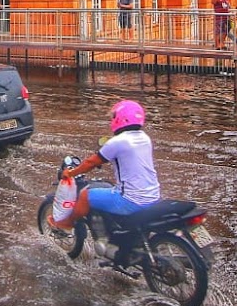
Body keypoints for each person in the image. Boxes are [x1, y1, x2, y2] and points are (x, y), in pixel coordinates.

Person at [51, 100, 161, 236]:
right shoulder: (145, 138)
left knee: (85, 195)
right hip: (154, 197)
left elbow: (90, 163)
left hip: (130, 200)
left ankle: (66, 224)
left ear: (121, 118)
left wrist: (70, 173)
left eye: (114, 116)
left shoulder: (118, 142)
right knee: (109, 188)